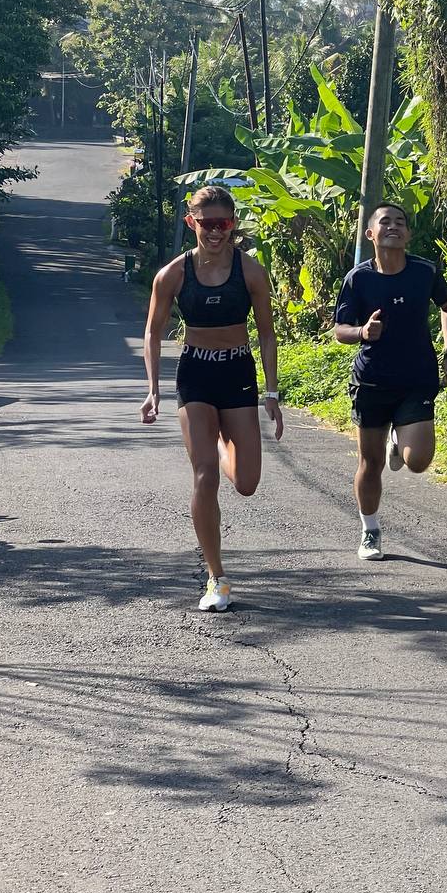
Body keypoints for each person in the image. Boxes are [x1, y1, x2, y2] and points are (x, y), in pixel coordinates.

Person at [140, 185, 283, 611]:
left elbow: (267, 333)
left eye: (223, 223)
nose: (216, 232)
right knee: (205, 475)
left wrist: (271, 393)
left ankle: (221, 441)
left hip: (238, 372)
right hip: (196, 375)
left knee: (247, 483)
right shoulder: (173, 275)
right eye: (207, 224)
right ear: (192, 223)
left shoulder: (252, 271)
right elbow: (152, 331)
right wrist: (153, 389)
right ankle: (216, 578)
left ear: (233, 224)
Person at [333, 203, 447, 560]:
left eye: (400, 222)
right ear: (370, 234)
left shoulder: (424, 271)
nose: (393, 227)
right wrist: (362, 332)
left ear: (408, 234)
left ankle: (397, 439)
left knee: (417, 460)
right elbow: (339, 330)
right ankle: (370, 531)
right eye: (384, 222)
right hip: (371, 380)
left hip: (416, 377)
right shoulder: (358, 278)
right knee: (369, 464)